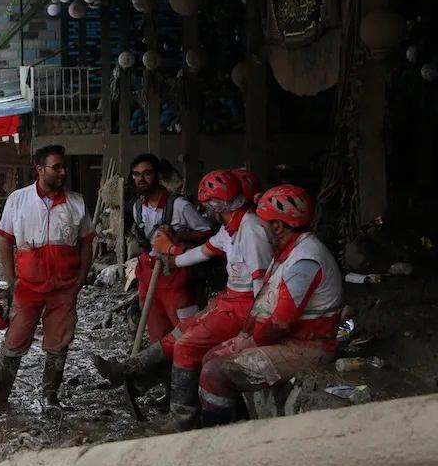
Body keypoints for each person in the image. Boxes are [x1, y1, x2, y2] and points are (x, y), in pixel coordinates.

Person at [94, 169, 273, 429]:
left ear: (217, 203)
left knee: (187, 346)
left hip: (244, 304)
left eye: (208, 205)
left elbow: (261, 282)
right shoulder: (232, 226)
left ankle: (182, 419)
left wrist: (254, 328)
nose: (207, 211)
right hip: (231, 299)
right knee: (179, 333)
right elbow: (205, 250)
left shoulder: (251, 229)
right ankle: (130, 369)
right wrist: (173, 256)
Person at [197, 185, 343, 426]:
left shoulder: (304, 260)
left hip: (307, 348)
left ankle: (217, 441)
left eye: (263, 222)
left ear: (278, 226)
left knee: (215, 373)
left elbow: (280, 323)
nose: (260, 227)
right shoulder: (290, 248)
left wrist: (247, 342)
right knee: (211, 358)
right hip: (289, 341)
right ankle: (240, 427)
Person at [0, 144, 94, 410]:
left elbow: (86, 244)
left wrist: (79, 281)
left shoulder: (76, 202)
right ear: (40, 169)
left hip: (64, 287)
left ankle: (50, 397)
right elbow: (5, 241)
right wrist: (12, 281)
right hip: (28, 287)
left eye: (64, 167)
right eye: (56, 167)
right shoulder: (18, 200)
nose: (62, 172)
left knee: (59, 343)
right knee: (14, 340)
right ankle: (1, 397)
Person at [128, 153, 214, 346]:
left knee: (186, 330)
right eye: (136, 174)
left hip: (174, 274)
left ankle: (188, 370)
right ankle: (160, 371)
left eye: (147, 173)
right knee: (156, 331)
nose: (141, 179)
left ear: (158, 175)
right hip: (148, 274)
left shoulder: (179, 205)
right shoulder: (136, 207)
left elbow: (206, 231)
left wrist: (177, 236)